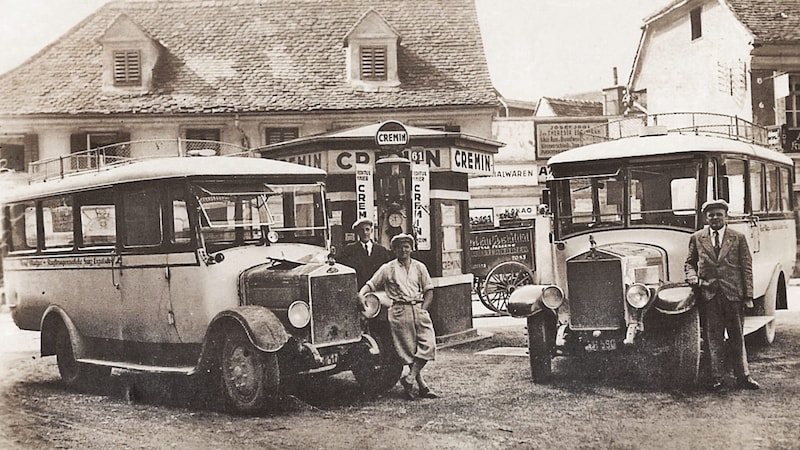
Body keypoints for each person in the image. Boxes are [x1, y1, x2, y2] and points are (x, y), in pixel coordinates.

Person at [684, 199, 759, 391]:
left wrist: (748, 296)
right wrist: (692, 276)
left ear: (726, 217)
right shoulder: (697, 238)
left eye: (719, 214)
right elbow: (689, 263)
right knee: (713, 338)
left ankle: (744, 376)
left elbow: (747, 267)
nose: (715, 218)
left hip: (733, 295)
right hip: (709, 295)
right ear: (705, 218)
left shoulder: (738, 237)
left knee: (737, 336)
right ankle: (717, 378)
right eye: (711, 215)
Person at [359, 233, 439, 400]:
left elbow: (429, 290)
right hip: (399, 312)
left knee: (429, 345)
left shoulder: (419, 267)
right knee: (409, 351)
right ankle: (422, 386)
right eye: (399, 247)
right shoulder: (387, 268)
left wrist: (424, 309)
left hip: (418, 309)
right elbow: (371, 284)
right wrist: (361, 295)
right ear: (394, 249)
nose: (403, 250)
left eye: (406, 246)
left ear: (411, 248)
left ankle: (409, 379)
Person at [338, 218, 392, 288]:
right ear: (357, 232)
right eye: (361, 230)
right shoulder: (350, 250)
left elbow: (388, 270)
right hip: (357, 289)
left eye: (367, 229)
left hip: (378, 290)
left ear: (371, 231)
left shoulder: (381, 250)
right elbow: (340, 266)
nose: (365, 233)